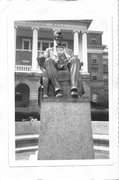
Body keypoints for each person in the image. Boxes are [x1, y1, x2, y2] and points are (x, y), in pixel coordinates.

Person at [38, 30, 84, 98]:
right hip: (54, 66)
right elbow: (44, 59)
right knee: (48, 60)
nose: (58, 39)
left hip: (67, 66)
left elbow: (74, 60)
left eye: (60, 37)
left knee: (75, 59)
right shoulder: (49, 50)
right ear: (55, 38)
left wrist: (74, 61)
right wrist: (41, 58)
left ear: (62, 38)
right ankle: (58, 89)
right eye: (57, 37)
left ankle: (74, 88)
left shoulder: (69, 50)